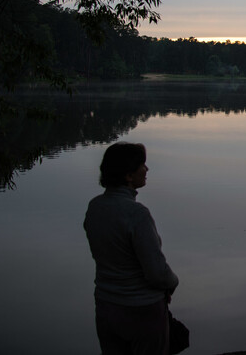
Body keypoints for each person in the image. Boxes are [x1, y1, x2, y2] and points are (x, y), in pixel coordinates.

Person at [84, 142, 180, 355]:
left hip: (106, 305)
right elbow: (156, 273)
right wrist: (173, 282)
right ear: (128, 175)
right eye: (142, 165)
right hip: (142, 311)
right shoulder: (137, 214)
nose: (147, 169)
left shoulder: (95, 207)